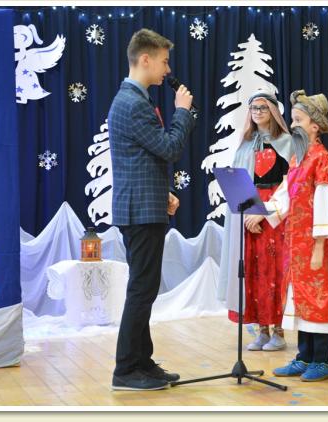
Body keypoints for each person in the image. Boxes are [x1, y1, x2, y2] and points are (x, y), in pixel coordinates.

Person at [108, 29, 195, 390]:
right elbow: (169, 147)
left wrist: (163, 192)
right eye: (164, 61)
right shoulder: (132, 103)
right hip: (139, 212)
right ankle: (126, 370)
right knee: (142, 290)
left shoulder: (134, 100)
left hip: (145, 206)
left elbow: (143, 157)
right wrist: (182, 112)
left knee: (144, 288)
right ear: (145, 59)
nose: (167, 69)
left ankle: (142, 362)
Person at [266, 90, 328, 382]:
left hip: (314, 243)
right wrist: (262, 212)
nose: (293, 125)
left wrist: (320, 246)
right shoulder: (299, 158)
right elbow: (287, 194)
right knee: (301, 299)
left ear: (315, 126)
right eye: (293, 120)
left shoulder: (321, 159)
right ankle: (304, 356)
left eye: (298, 120)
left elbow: (323, 204)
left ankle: (322, 360)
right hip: (296, 243)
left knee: (319, 298)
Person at [220, 91, 296, 351]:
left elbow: (290, 183)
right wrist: (249, 212)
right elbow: (240, 179)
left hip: (276, 212)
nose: (258, 112)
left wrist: (265, 212)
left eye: (263, 107)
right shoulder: (246, 144)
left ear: (273, 111)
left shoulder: (287, 142)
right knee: (254, 270)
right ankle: (262, 329)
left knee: (275, 269)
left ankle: (279, 330)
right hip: (250, 210)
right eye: (254, 108)